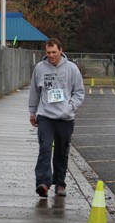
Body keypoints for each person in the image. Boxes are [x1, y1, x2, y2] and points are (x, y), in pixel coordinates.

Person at [28, 38, 85, 198]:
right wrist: (33, 112)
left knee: (61, 152)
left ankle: (59, 183)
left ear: (61, 50)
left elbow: (79, 92)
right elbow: (34, 92)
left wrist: (70, 106)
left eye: (54, 52)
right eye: (48, 53)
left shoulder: (71, 68)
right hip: (45, 116)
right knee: (45, 149)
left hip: (65, 118)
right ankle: (43, 183)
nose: (51, 55)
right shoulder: (40, 68)